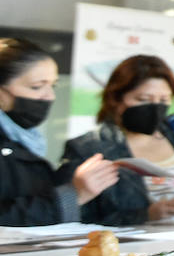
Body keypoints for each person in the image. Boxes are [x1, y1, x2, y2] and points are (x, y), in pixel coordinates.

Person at [61, 55, 174, 225]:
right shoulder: (86, 148)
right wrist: (146, 215)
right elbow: (75, 218)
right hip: (132, 242)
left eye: (164, 100)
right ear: (116, 99)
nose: (155, 107)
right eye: (143, 99)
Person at [0, 38, 119, 225]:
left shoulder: (25, 140)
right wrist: (73, 195)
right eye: (37, 87)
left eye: (52, 85)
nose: (50, 96)